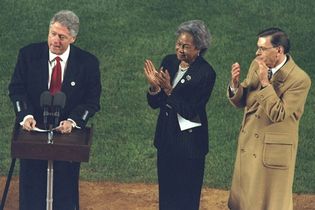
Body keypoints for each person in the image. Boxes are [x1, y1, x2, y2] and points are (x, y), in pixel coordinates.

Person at [8, 10, 101, 210]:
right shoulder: (28, 55)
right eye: (52, 33)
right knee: (32, 189)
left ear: (73, 38)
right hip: (32, 134)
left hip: (67, 137)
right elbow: (16, 89)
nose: (55, 40)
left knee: (65, 191)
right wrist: (25, 115)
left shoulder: (88, 63)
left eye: (62, 37)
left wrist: (74, 121)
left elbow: (92, 101)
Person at [227, 27, 311, 210]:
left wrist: (266, 83)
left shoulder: (299, 79)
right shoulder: (257, 64)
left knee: (269, 203)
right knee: (243, 202)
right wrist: (235, 86)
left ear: (279, 50)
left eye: (262, 48)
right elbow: (245, 100)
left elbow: (278, 113)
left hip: (273, 152)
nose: (257, 53)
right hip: (250, 144)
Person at [144, 20, 216, 210]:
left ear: (199, 48)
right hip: (166, 140)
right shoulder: (169, 62)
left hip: (190, 146)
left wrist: (169, 90)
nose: (180, 50)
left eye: (186, 46)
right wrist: (154, 87)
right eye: (178, 44)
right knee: (166, 196)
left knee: (186, 199)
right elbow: (155, 104)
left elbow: (191, 110)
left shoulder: (206, 73)